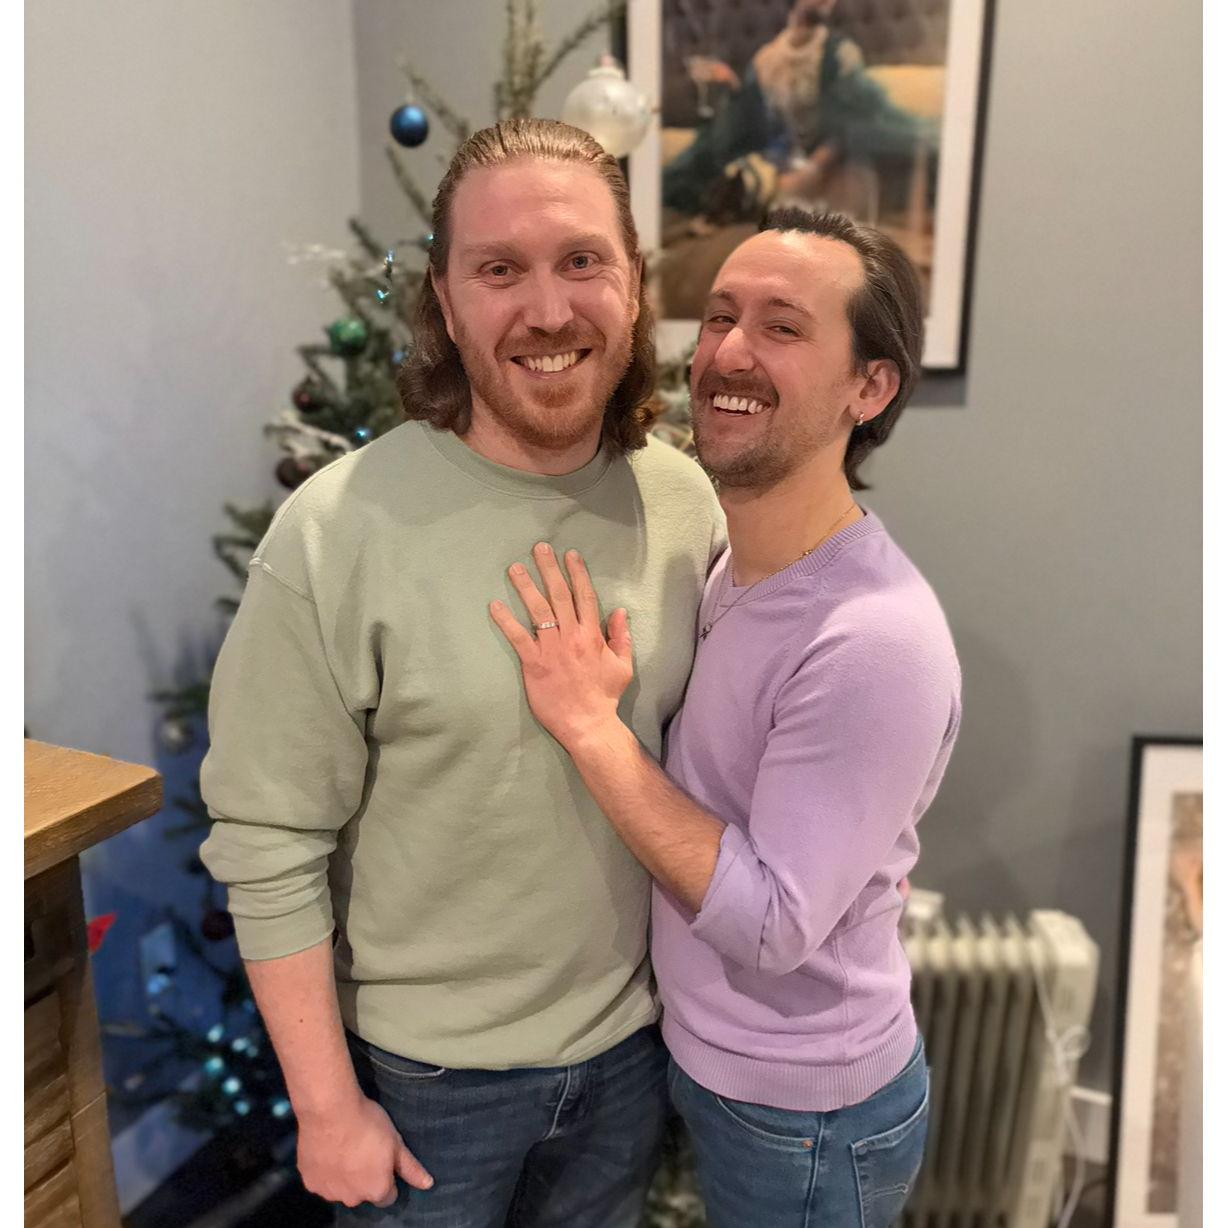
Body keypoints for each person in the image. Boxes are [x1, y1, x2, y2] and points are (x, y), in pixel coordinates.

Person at [198, 118, 724, 1227]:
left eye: (581, 260)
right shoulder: (335, 533)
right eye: (499, 270)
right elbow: (267, 840)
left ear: (633, 283)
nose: (548, 309)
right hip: (426, 1091)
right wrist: (326, 1107)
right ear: (444, 300)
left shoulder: (686, 506)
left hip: (632, 1059)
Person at [490, 207, 961, 1228]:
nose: (728, 354)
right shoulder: (730, 566)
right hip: (720, 1069)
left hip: (807, 1114)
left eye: (782, 327)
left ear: (870, 387)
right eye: (718, 318)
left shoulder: (872, 637)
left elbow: (773, 923)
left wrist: (593, 729)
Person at [663, 0, 932, 218]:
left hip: (834, 166)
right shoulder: (766, 60)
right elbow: (756, 127)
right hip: (785, 166)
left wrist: (811, 170)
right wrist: (734, 89)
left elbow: (851, 122)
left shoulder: (840, 53)